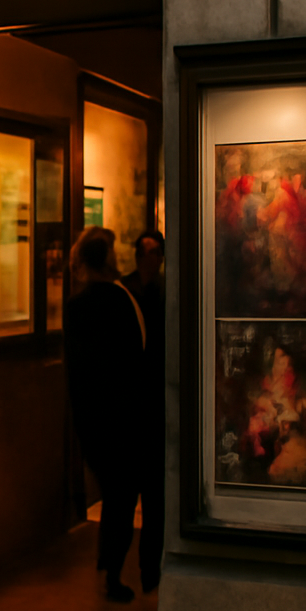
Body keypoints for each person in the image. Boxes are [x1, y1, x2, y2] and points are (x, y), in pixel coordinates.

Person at [65, 227, 148, 602]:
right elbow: (136, 361)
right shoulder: (122, 300)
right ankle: (113, 570)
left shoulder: (77, 306)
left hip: (90, 416)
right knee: (122, 496)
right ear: (108, 258)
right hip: (124, 416)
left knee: (111, 489)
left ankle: (105, 560)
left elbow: (78, 369)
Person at [119, 229, 166, 592]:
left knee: (154, 495)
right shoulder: (126, 291)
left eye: (153, 253)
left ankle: (150, 570)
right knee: (132, 492)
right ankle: (129, 569)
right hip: (134, 403)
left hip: (155, 403)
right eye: (143, 252)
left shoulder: (163, 291)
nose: (147, 259)